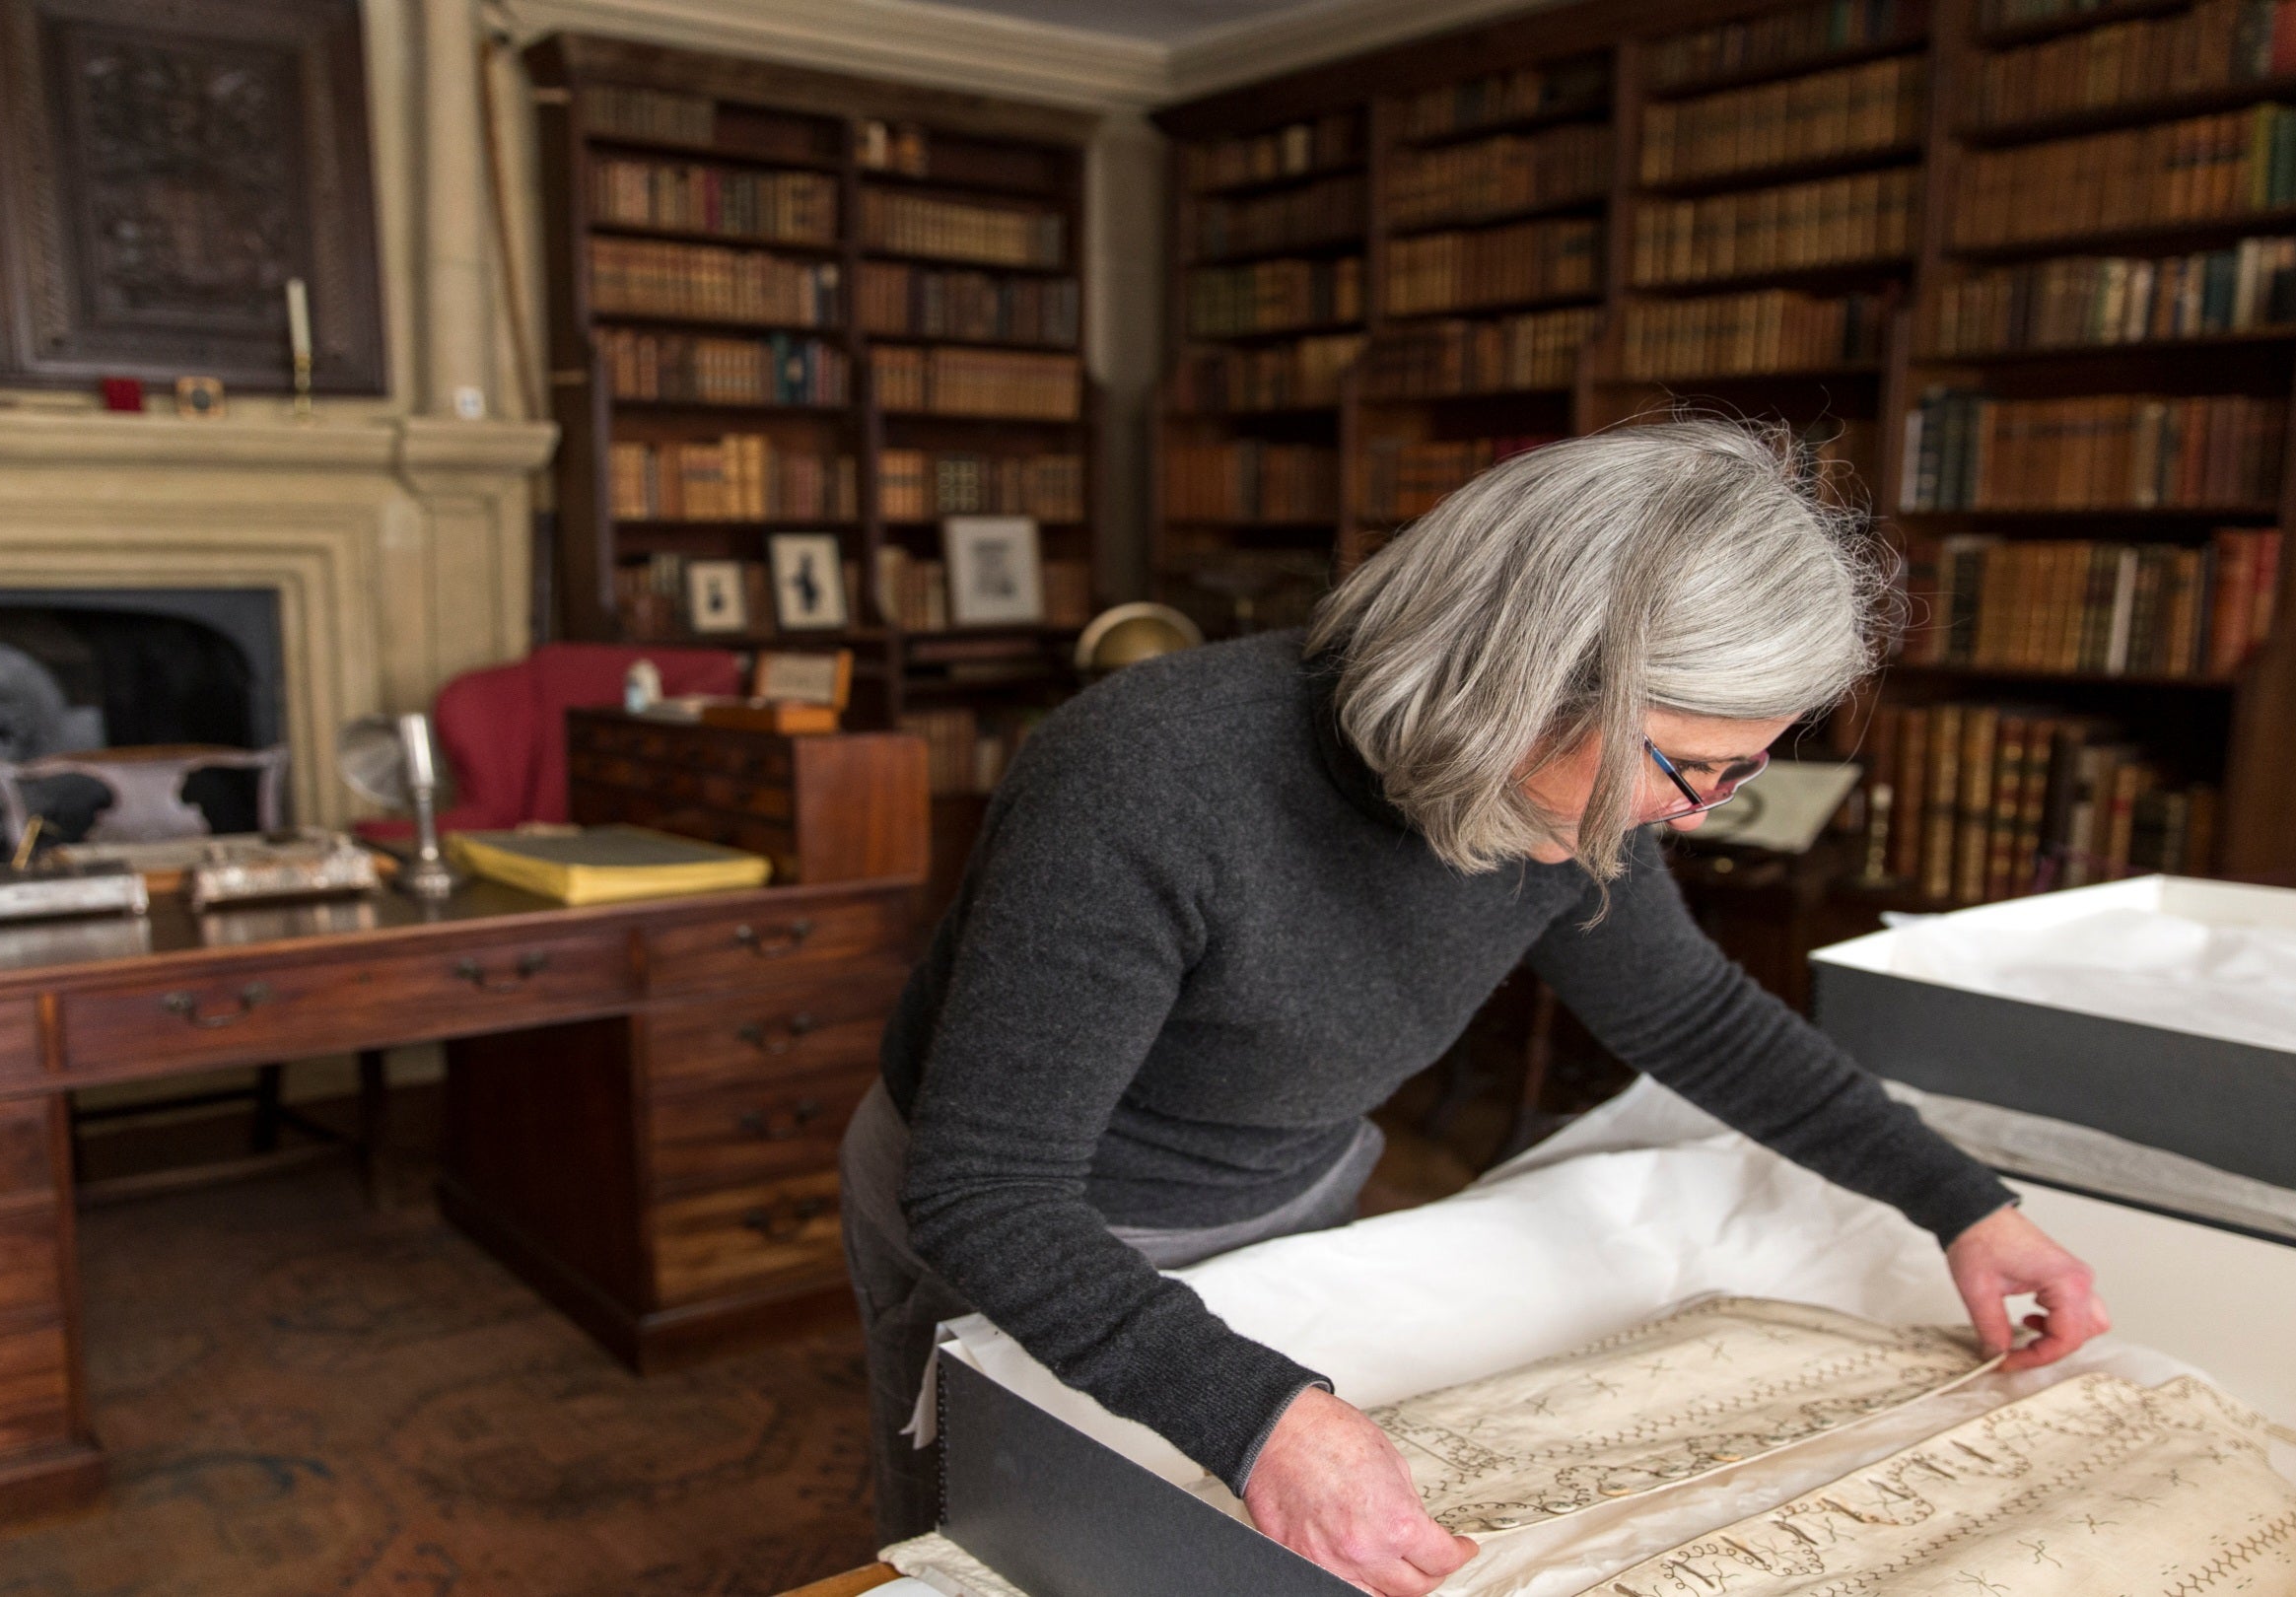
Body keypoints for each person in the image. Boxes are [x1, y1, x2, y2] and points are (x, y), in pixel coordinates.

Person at [837, 419, 2108, 1597]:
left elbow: (1696, 1019)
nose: (1701, 810)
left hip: (1287, 1189)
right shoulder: (1147, 776)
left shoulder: (1569, 795)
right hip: (1024, 1223)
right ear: (1518, 680)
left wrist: (1967, 1207)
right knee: (1002, 1545)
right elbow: (990, 1189)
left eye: (1746, 766)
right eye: (1690, 764)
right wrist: (1257, 1414)